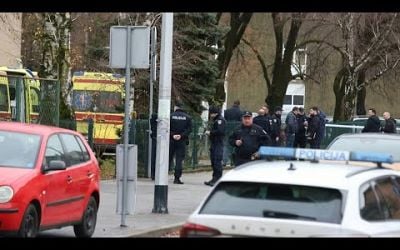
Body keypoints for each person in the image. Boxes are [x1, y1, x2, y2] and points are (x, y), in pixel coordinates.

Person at [169, 101, 192, 184]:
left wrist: (173, 135)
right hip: (182, 141)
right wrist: (181, 136)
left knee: (168, 158)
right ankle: (177, 178)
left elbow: (167, 127)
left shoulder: (170, 116)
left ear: (175, 107)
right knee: (179, 159)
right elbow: (189, 130)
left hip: (171, 140)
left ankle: (163, 175)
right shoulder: (188, 117)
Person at [204, 106, 226, 186]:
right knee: (213, 161)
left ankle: (218, 179)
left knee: (217, 162)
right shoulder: (216, 120)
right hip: (214, 143)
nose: (210, 115)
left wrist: (210, 133)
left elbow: (220, 131)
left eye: (211, 113)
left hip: (218, 143)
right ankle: (214, 178)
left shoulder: (220, 120)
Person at [222, 100, 242, 167]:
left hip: (228, 130)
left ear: (233, 104)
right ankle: (233, 162)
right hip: (236, 131)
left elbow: (225, 120)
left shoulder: (227, 111)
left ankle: (224, 161)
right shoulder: (240, 112)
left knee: (226, 145)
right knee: (235, 146)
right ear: (239, 105)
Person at [150, 113, 158, 180]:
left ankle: (153, 174)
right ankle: (154, 174)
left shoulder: (153, 118)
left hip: (155, 138)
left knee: (154, 156)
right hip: (159, 138)